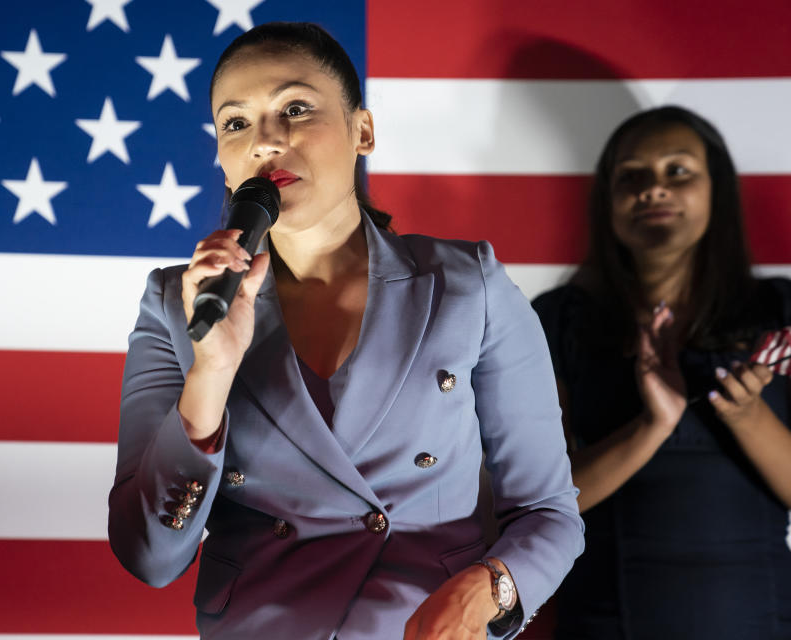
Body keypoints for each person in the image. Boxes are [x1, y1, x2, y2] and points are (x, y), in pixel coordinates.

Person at [109, 22, 583, 640]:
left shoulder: (471, 284)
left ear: (363, 130)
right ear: (222, 159)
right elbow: (148, 556)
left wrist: (488, 588)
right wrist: (212, 373)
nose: (266, 141)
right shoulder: (176, 305)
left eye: (296, 108)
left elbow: (549, 513)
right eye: (236, 122)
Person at [532, 106, 791, 639]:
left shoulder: (778, 315)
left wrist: (746, 415)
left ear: (715, 189)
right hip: (607, 621)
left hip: (758, 619)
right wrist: (652, 425)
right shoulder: (558, 318)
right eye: (632, 176)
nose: (654, 188)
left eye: (678, 171)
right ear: (607, 199)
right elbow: (540, 501)